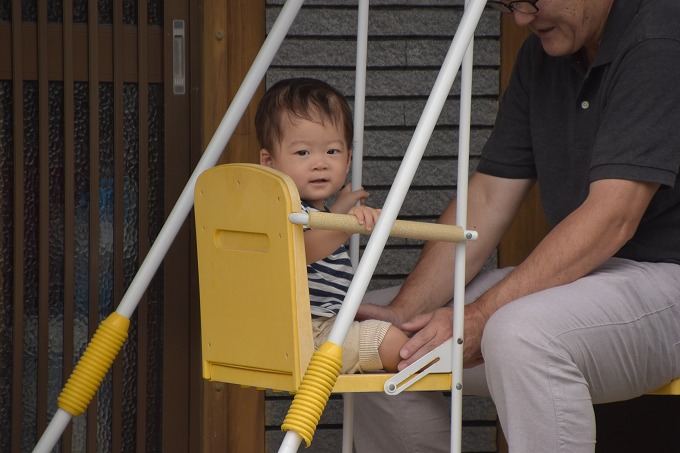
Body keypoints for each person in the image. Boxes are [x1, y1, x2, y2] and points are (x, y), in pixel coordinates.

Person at [352, 0, 680, 451]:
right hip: (590, 278)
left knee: (520, 333)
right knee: (368, 336)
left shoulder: (660, 37)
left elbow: (612, 218)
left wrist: (479, 316)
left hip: (667, 276)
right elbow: (488, 197)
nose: (521, 19)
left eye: (531, 1)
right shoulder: (544, 53)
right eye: (509, 4)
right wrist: (404, 311)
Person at [255, 77, 409, 373]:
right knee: (395, 344)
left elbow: (315, 230)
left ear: (348, 159)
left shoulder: (312, 210)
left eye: (332, 152)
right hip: (306, 333)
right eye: (303, 152)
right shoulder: (279, 207)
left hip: (326, 325)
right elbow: (301, 250)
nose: (320, 163)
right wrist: (345, 226)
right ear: (269, 162)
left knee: (396, 336)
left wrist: (339, 212)